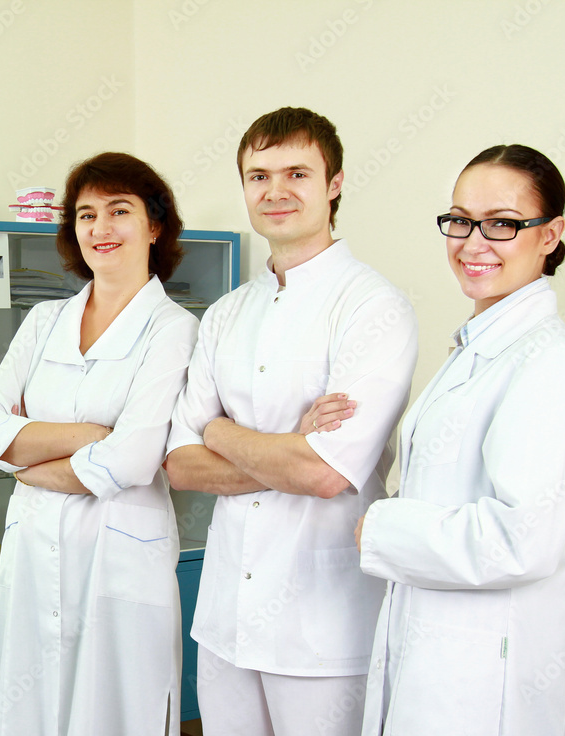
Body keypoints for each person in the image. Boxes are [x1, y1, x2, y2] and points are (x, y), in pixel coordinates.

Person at [165, 106, 418, 736]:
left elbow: (323, 473)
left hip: (321, 625)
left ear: (333, 185)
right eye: (258, 176)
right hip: (224, 616)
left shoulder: (372, 306)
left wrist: (221, 431)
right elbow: (179, 464)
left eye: (297, 173)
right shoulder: (225, 313)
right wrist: (282, 445)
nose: (275, 191)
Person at [352, 144, 565, 735]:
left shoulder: (549, 364)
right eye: (461, 220)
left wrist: (384, 528)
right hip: (439, 654)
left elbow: (525, 539)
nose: (472, 242)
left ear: (550, 235)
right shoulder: (481, 346)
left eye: (503, 223)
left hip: (483, 679)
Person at [0, 152, 197, 736]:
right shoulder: (44, 320)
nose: (100, 228)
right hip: (33, 548)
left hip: (119, 554)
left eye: (119, 211)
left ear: (154, 225)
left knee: (116, 713)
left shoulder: (174, 329)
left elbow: (131, 460)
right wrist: (91, 438)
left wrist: (28, 460)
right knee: (29, 707)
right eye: (86, 214)